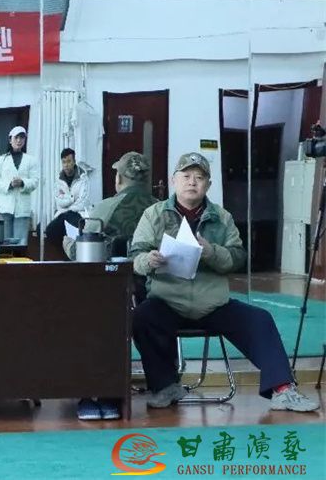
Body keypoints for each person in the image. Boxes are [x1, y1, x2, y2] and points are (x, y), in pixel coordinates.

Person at [130, 153, 319, 412]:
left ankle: (283, 389)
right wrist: (148, 260)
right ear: (174, 180)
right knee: (141, 317)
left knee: (259, 319)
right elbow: (134, 256)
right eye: (186, 176)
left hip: (212, 304)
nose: (192, 182)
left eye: (199, 177)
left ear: (208, 184)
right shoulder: (153, 214)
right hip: (168, 301)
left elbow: (238, 258)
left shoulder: (222, 217)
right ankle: (164, 386)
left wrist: (211, 252)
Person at [62, 151, 158, 421]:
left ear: (119, 179)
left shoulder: (105, 208)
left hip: (115, 292)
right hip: (157, 292)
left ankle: (91, 390)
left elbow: (86, 253)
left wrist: (67, 243)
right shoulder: (161, 209)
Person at [0, 125, 39, 245]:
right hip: (4, 208)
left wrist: (23, 183)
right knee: (4, 244)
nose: (19, 140)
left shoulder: (31, 160)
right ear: (10, 140)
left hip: (22, 209)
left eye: (22, 138)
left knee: (21, 243)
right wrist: (9, 184)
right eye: (16, 138)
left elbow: (35, 181)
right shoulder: (0, 160)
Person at [45, 147, 90, 253]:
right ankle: (62, 253)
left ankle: (73, 253)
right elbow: (59, 201)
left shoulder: (83, 179)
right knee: (47, 230)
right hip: (62, 214)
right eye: (64, 162)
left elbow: (82, 203)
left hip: (78, 214)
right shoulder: (58, 180)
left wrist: (67, 206)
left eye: (69, 161)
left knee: (73, 226)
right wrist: (72, 198)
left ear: (74, 162)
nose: (66, 165)